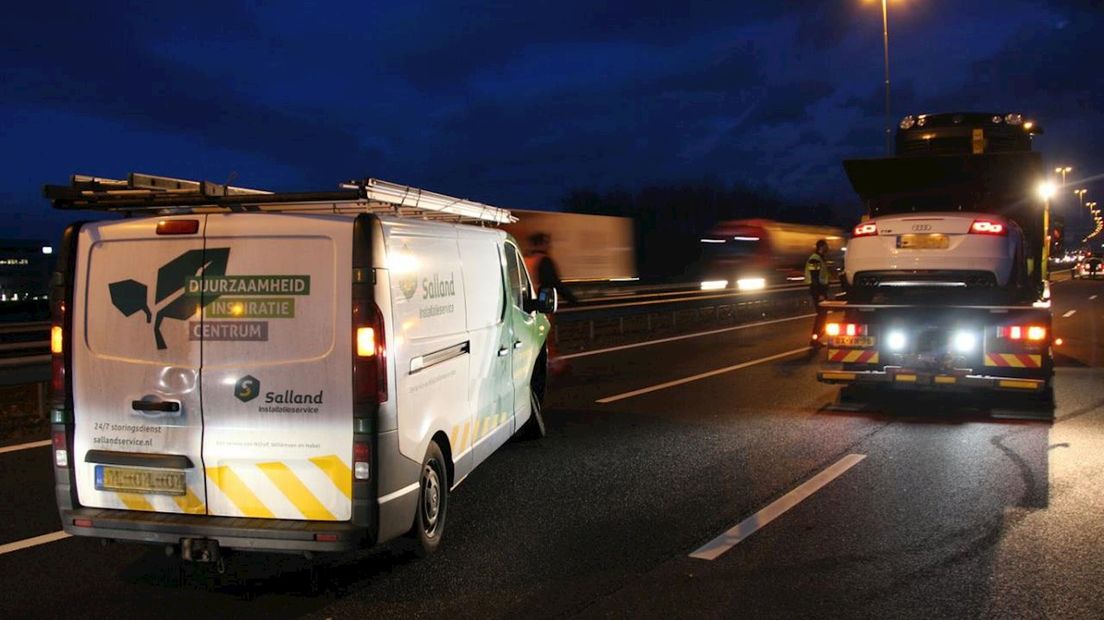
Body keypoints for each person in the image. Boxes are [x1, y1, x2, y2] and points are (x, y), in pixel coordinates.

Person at [524, 232, 578, 305]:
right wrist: (572, 300)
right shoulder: (544, 261)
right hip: (541, 305)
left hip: (526, 304)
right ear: (540, 243)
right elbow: (554, 283)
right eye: (547, 243)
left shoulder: (525, 260)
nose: (549, 246)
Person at [805, 239, 830, 346]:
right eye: (826, 246)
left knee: (823, 314)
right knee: (821, 314)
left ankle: (817, 336)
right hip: (818, 290)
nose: (828, 248)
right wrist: (819, 293)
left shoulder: (820, 258)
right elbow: (814, 277)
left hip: (821, 290)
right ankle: (815, 338)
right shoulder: (815, 259)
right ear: (821, 246)